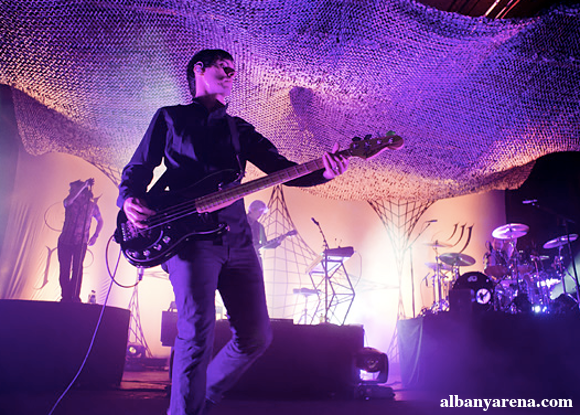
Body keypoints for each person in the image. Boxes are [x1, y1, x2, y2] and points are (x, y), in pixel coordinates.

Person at [117, 49, 349, 415]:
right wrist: (129, 198)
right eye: (224, 67)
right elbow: (140, 166)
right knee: (195, 333)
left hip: (238, 240)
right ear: (199, 69)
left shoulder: (239, 129)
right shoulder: (171, 118)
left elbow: (281, 169)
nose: (231, 74)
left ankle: (202, 394)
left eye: (234, 71)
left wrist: (325, 171)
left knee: (256, 335)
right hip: (190, 240)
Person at [58, 178, 103, 302]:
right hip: (65, 241)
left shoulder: (92, 206)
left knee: (78, 269)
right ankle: (65, 296)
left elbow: (100, 221)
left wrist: (95, 235)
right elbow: (69, 199)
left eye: (72, 189)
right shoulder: (70, 202)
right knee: (64, 269)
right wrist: (84, 185)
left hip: (81, 242)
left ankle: (75, 297)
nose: (70, 192)